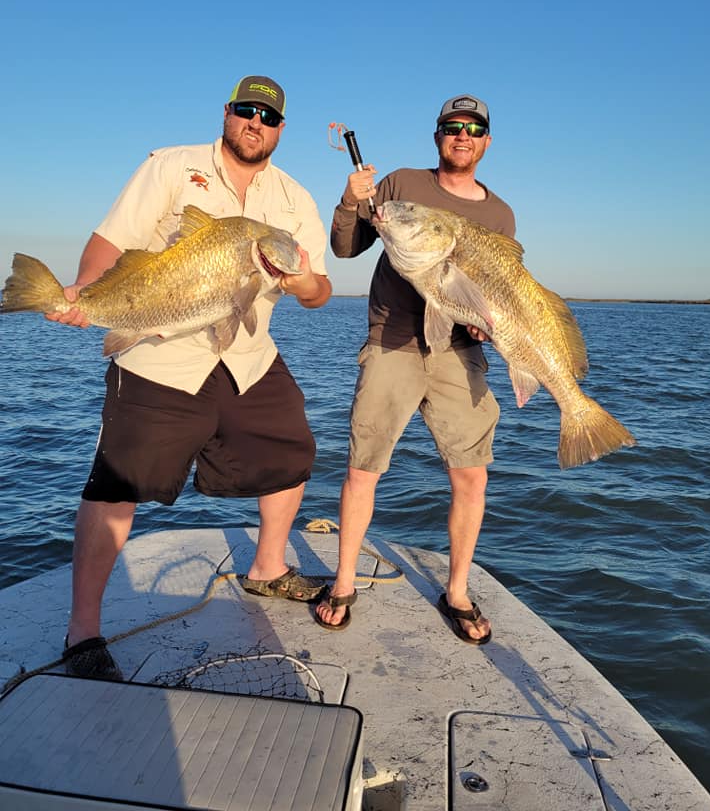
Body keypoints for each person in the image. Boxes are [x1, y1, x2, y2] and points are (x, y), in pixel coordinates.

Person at [48, 75, 332, 679]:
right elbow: (109, 243)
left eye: (269, 117)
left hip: (247, 354)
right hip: (159, 354)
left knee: (294, 449)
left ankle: (268, 569)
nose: (255, 123)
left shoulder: (294, 199)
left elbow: (319, 288)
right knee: (117, 482)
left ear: (281, 129)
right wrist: (84, 292)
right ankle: (83, 632)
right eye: (245, 111)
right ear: (227, 114)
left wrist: (303, 281)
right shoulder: (171, 167)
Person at [315, 94, 515, 643]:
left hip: (459, 354)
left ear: (486, 142)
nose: (463, 135)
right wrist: (351, 199)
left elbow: (495, 292)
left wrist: (484, 324)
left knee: (471, 475)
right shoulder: (402, 184)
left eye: (474, 128)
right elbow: (346, 246)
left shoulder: (500, 215)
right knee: (364, 468)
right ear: (438, 136)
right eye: (453, 127)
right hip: (393, 344)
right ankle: (343, 582)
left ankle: (456, 591)